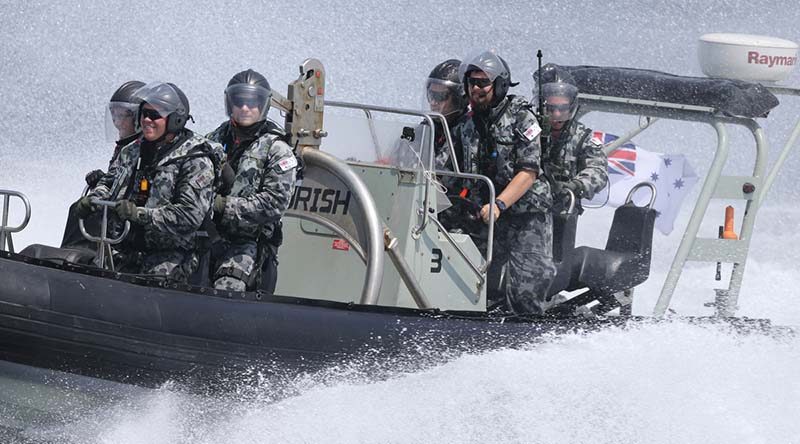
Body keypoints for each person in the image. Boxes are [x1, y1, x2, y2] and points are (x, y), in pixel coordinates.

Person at [76, 82, 220, 282]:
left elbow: (189, 215)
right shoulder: (132, 150)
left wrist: (140, 215)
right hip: (125, 246)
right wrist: (94, 198)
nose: (147, 120)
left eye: (155, 115)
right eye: (144, 114)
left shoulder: (195, 159)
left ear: (175, 119)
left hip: (171, 256)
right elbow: (111, 181)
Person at [457, 50, 555, 315]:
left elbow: (528, 172)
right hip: (484, 216)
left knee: (525, 292)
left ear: (500, 85)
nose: (475, 89)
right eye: (471, 82)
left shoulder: (522, 119)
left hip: (525, 217)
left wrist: (499, 204)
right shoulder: (466, 124)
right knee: (459, 271)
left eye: (482, 83)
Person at [206, 69, 298, 292]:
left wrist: (222, 206)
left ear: (263, 105)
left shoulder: (277, 149)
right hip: (208, 237)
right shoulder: (213, 140)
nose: (245, 108)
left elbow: (275, 203)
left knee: (227, 290)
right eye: (239, 101)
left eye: (252, 102)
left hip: (248, 246)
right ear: (230, 103)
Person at [61, 80, 146, 249]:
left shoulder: (144, 149)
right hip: (115, 210)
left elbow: (140, 189)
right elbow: (118, 179)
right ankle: (68, 257)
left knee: (95, 217)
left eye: (122, 115)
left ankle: (76, 261)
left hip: (133, 218)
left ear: (138, 118)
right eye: (114, 114)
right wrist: (102, 180)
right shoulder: (125, 147)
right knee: (78, 209)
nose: (116, 122)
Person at [534, 65, 608, 211]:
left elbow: (598, 171)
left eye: (562, 109)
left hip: (563, 211)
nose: (556, 114)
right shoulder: (528, 130)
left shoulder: (583, 137)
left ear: (571, 106)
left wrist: (576, 185)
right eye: (550, 108)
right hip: (528, 209)